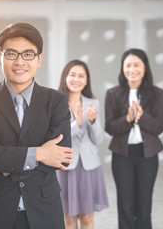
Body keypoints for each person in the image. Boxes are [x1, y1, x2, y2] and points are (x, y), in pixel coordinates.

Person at [0, 22, 73, 229]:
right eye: (12, 54)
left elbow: (62, 158)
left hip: (44, 211)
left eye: (28, 54)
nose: (20, 61)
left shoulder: (56, 100)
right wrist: (38, 154)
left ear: (39, 59)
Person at [104, 48, 163, 229]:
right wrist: (128, 119)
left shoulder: (157, 94)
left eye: (137, 65)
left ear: (145, 68)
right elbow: (110, 128)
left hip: (148, 156)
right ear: (122, 68)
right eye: (128, 65)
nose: (132, 69)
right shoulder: (113, 94)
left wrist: (142, 115)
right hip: (122, 156)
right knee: (125, 205)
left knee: (144, 205)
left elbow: (159, 128)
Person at [56, 60, 109, 229]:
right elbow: (58, 138)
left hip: (89, 168)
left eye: (81, 76)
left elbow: (98, 139)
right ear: (65, 77)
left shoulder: (93, 103)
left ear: (86, 80)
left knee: (87, 219)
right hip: (65, 168)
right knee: (69, 220)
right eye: (72, 75)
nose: (76, 79)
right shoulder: (56, 104)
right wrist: (77, 124)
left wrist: (93, 121)